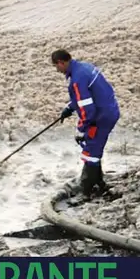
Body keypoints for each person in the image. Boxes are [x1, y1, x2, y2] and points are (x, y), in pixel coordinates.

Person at [52, 49, 120, 200]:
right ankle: (98, 182)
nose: (57, 70)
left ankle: (86, 191)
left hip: (101, 116)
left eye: (56, 66)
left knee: (90, 151)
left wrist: (81, 129)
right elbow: (86, 96)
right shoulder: (85, 67)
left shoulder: (76, 79)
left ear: (61, 62)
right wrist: (70, 108)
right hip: (109, 109)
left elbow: (87, 108)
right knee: (94, 147)